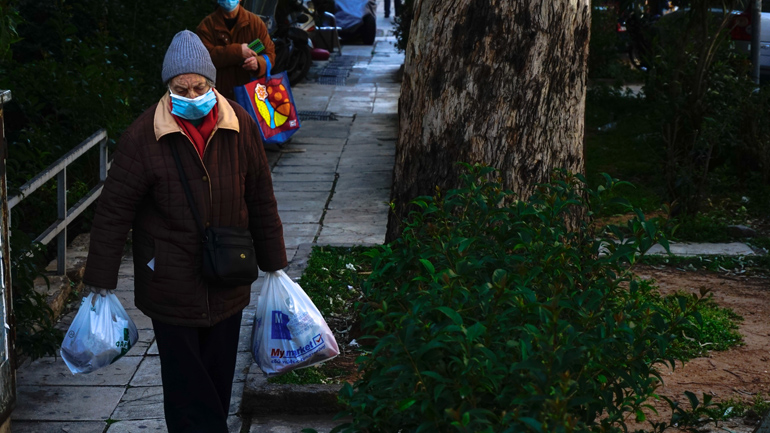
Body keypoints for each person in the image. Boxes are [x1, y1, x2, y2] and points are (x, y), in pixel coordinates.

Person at [82, 30, 286, 433]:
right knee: (184, 384)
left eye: (200, 87)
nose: (192, 96)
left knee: (217, 378)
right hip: (170, 282)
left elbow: (261, 196)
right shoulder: (144, 135)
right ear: (167, 87)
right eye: (182, 88)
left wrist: (276, 265)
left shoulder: (240, 124)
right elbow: (113, 210)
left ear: (212, 83)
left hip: (228, 275)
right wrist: (100, 281)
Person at [197, 0, 276, 100]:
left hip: (250, 96)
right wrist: (238, 51)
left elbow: (270, 54)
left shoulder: (255, 23)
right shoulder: (206, 26)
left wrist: (258, 63)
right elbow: (203, 58)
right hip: (218, 96)